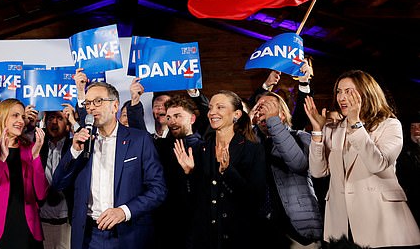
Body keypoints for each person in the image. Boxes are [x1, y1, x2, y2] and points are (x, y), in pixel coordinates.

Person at [305, 69, 420, 248]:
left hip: (382, 221)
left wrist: (355, 123)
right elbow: (318, 172)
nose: (342, 97)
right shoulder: (333, 128)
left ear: (366, 93)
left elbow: (377, 163)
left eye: (349, 91)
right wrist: (318, 131)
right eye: (339, 91)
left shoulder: (390, 125)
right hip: (342, 223)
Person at [52, 81, 167, 249]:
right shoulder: (79, 142)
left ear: (115, 106)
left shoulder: (140, 140)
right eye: (88, 103)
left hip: (128, 234)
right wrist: (75, 152)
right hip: (88, 236)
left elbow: (158, 190)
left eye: (98, 101)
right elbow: (58, 184)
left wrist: (124, 211)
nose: (91, 107)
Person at [174, 89, 266, 249]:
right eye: (210, 108)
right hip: (205, 239)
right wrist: (189, 174)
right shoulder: (200, 149)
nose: (212, 112)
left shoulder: (252, 149)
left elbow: (255, 198)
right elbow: (192, 202)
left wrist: (228, 171)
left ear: (236, 114)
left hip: (238, 238)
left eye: (220, 107)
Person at [0, 98, 48, 249]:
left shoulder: (30, 148)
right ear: (1, 117)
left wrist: (35, 157)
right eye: (15, 115)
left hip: (27, 232)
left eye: (22, 116)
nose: (21, 120)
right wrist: (1, 160)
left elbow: (41, 194)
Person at [250, 91, 323, 248]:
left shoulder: (301, 136)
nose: (263, 111)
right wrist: (247, 125)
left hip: (299, 229)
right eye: (259, 107)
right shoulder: (253, 145)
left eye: (269, 107)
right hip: (265, 228)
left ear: (282, 114)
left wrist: (273, 121)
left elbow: (298, 164)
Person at [151, 94, 203, 249]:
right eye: (169, 117)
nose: (172, 121)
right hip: (164, 224)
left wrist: (190, 172)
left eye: (177, 116)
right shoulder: (161, 146)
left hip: (193, 225)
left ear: (192, 119)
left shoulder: (204, 148)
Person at [39, 108, 73, 249]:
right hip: (41, 222)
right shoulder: (38, 145)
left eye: (59, 118)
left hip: (67, 224)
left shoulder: (74, 147)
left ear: (68, 125)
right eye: (51, 118)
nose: (54, 122)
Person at [396, 111, 420, 225]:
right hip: (412, 201)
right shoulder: (403, 152)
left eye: (419, 127)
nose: (416, 130)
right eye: (413, 127)